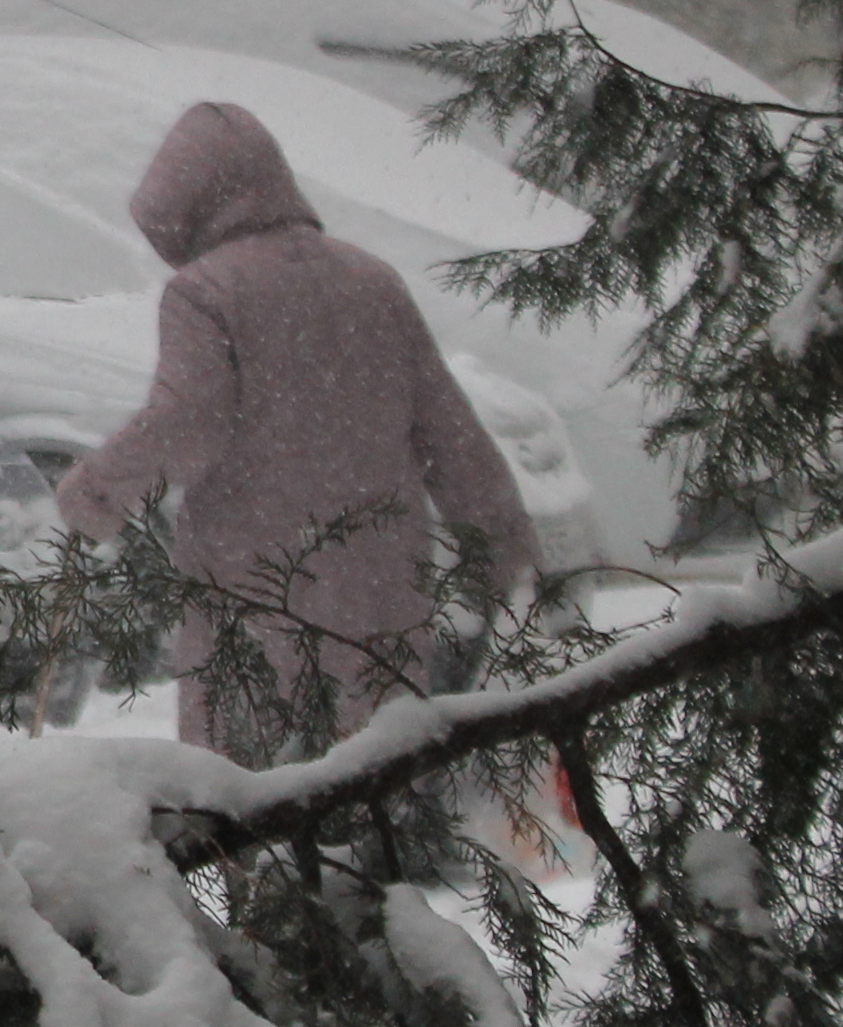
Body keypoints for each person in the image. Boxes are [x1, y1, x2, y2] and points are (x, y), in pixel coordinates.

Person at [56, 100, 536, 757]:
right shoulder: (372, 280)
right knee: (374, 781)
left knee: (262, 803)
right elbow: (451, 432)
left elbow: (190, 420)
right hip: (382, 593)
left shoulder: (205, 293)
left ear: (187, 206)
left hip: (257, 593)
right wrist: (501, 546)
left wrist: (97, 493)